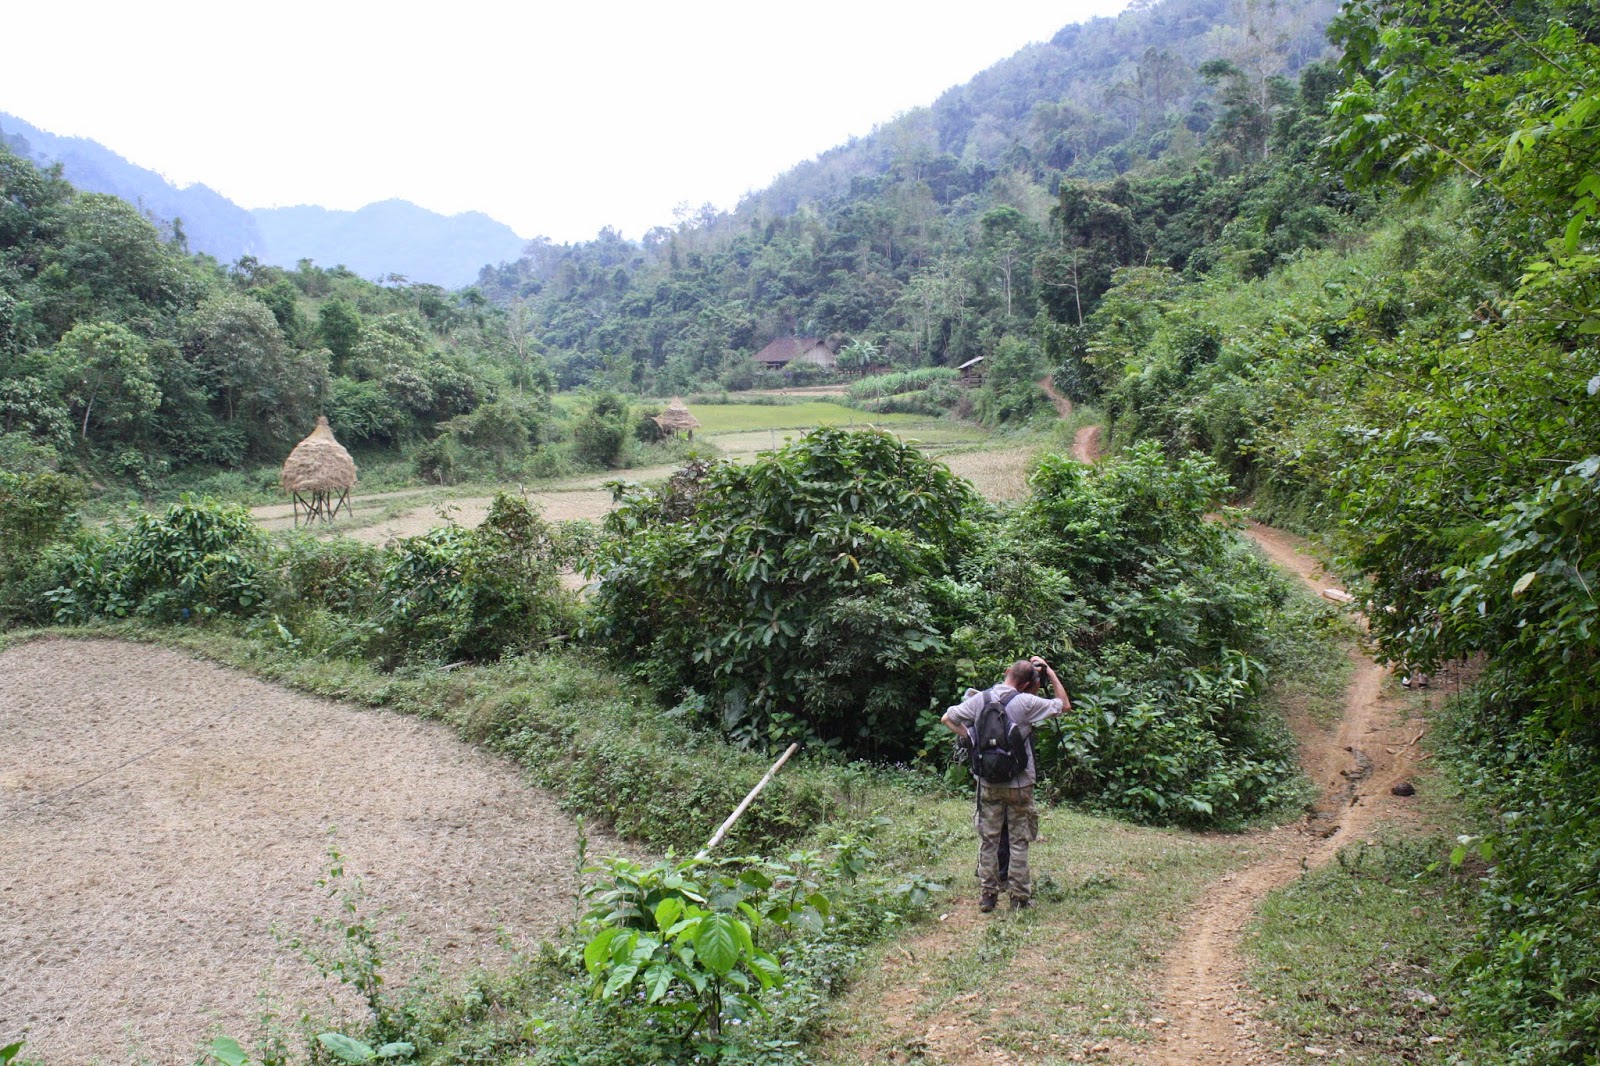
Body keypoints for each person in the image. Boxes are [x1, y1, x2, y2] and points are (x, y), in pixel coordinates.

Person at [942, 656, 1069, 912]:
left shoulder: (981, 699)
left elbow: (947, 718)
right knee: (1019, 840)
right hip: (1019, 783)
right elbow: (1063, 705)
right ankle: (1019, 898)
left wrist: (971, 738)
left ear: (1007, 672)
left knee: (989, 840)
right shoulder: (1026, 702)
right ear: (1028, 683)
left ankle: (988, 895)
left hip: (988, 782)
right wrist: (1051, 673)